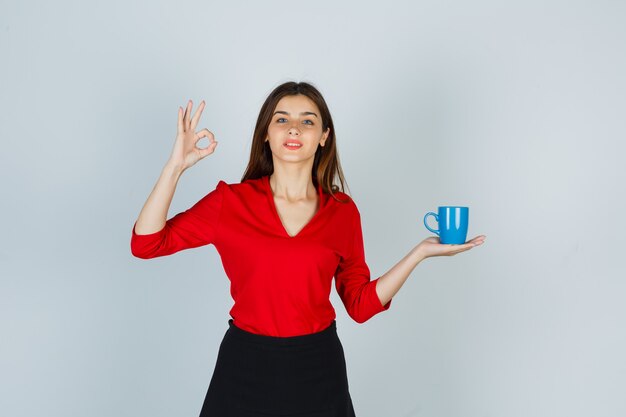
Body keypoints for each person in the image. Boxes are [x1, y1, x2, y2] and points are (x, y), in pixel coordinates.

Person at [130, 81, 486, 416]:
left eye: (307, 121)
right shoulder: (230, 202)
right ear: (266, 135)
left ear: (323, 137)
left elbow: (360, 306)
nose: (294, 129)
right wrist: (175, 167)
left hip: (318, 367)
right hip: (244, 366)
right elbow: (146, 243)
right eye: (281, 119)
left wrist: (419, 253)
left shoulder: (342, 211)